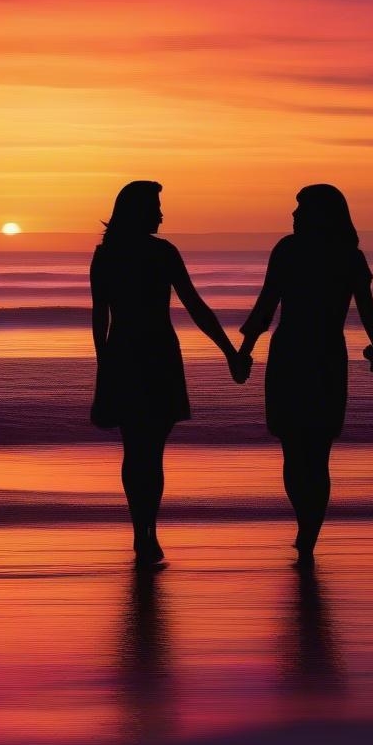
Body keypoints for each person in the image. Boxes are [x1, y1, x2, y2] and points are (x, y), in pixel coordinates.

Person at [90, 181, 250, 566]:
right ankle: (148, 532)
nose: (161, 215)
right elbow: (195, 304)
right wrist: (230, 352)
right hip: (157, 354)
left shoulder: (107, 254)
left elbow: (100, 317)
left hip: (125, 353)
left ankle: (141, 532)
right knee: (152, 453)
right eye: (156, 207)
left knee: (135, 450)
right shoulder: (161, 253)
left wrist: (104, 365)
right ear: (139, 211)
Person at [237, 185, 373, 564]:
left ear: (319, 213)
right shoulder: (339, 255)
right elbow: (268, 303)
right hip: (317, 353)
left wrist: (244, 352)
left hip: (298, 353)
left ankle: (307, 530)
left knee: (300, 449)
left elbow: (266, 306)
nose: (293, 215)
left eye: (300, 208)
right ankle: (308, 527)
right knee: (308, 450)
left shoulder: (298, 251)